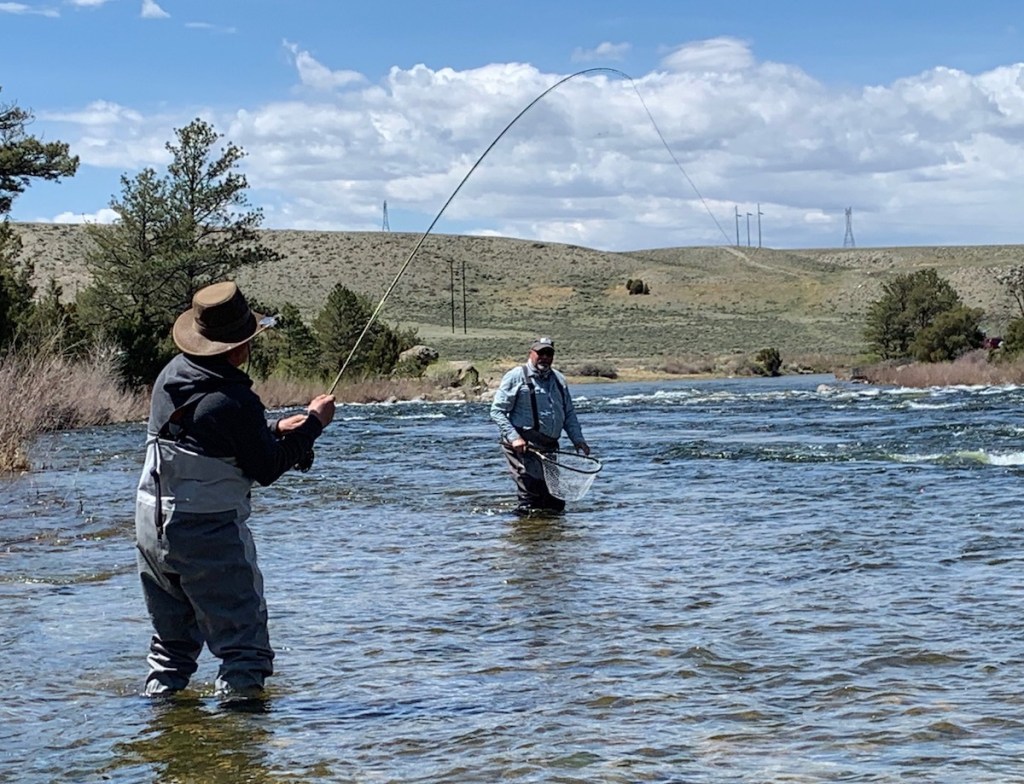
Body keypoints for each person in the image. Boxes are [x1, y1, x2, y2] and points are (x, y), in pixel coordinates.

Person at [134, 281, 336, 701]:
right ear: (238, 346)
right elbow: (267, 468)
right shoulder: (234, 400)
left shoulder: (172, 375)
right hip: (208, 530)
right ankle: (241, 736)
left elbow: (202, 435)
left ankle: (161, 723)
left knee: (171, 646)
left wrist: (275, 428)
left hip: (151, 528)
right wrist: (315, 423)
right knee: (244, 649)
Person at [489, 336, 590, 514]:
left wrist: (578, 439)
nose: (545, 357)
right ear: (531, 353)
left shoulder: (559, 379)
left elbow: (569, 414)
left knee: (554, 502)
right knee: (530, 498)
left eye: (549, 353)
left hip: (549, 446)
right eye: (541, 353)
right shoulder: (516, 376)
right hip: (522, 446)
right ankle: (525, 530)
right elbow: (497, 411)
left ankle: (551, 531)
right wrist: (514, 438)